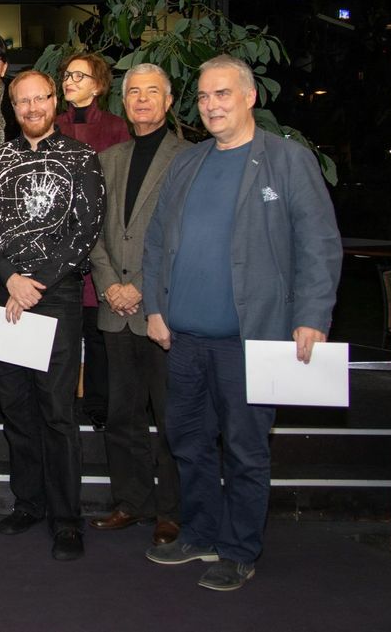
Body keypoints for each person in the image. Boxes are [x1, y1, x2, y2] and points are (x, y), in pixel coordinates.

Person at [142, 55, 342, 591]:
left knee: (247, 450)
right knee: (187, 441)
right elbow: (158, 237)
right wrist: (154, 308)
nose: (211, 105)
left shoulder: (287, 161)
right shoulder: (188, 162)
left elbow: (319, 244)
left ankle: (239, 548)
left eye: (222, 94)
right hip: (182, 339)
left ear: (250, 97)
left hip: (250, 342)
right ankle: (202, 533)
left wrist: (311, 316)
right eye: (204, 97)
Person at [0, 69, 104, 561]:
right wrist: (9, 279)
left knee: (56, 411)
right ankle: (28, 501)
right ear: (11, 106)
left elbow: (85, 229)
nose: (31, 108)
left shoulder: (81, 158)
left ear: (54, 101)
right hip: (1, 292)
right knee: (16, 408)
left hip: (55, 296)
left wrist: (34, 284)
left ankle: (67, 518)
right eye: (22, 101)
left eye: (40, 99)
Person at [88, 63, 188, 546]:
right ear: (122, 102)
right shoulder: (109, 159)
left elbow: (186, 241)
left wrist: (142, 288)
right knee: (121, 414)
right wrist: (109, 285)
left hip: (162, 311)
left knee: (171, 417)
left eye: (153, 92)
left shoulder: (190, 159)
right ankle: (131, 501)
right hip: (114, 310)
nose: (143, 100)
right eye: (134, 93)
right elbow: (95, 233)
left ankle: (171, 510)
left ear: (169, 102)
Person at [55, 52, 131, 432]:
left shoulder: (117, 127)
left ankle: (100, 406)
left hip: (103, 243)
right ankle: (62, 403)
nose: (69, 81)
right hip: (58, 245)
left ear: (98, 84)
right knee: (64, 335)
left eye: (79, 76)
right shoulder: (52, 125)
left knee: (99, 334)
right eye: (67, 75)